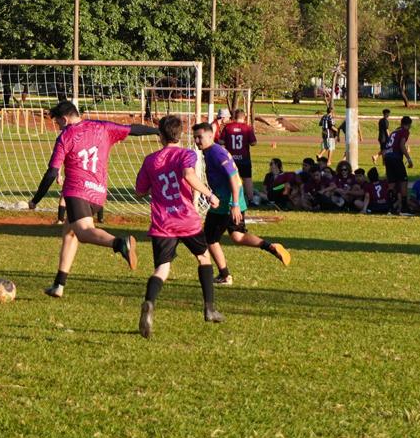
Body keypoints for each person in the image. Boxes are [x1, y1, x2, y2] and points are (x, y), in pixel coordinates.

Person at [28, 101, 159, 297]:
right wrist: (156, 131)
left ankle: (120, 243)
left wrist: (35, 200)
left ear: (64, 119)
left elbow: (51, 173)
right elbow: (133, 129)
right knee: (70, 233)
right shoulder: (103, 127)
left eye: (58, 123)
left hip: (76, 192)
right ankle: (59, 285)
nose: (59, 127)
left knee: (83, 232)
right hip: (98, 193)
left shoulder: (65, 136)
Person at [135, 115, 224, 338]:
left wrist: (155, 183)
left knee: (162, 269)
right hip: (186, 220)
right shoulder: (187, 154)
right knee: (203, 258)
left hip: (162, 222)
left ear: (161, 136)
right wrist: (209, 194)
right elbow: (188, 174)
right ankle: (209, 309)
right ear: (180, 134)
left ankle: (149, 303)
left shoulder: (150, 160)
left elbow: (139, 191)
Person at [192, 122, 290, 286]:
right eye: (195, 137)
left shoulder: (217, 153)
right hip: (232, 201)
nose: (196, 140)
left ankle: (225, 275)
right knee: (238, 236)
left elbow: (234, 178)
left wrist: (234, 204)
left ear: (210, 136)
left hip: (225, 203)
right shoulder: (211, 152)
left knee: (210, 239)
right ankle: (270, 247)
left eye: (199, 137)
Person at [220, 109, 258, 205]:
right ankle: (250, 199)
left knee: (230, 178)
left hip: (231, 159)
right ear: (244, 117)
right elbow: (254, 142)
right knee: (247, 179)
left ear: (234, 117)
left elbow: (221, 141)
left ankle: (228, 198)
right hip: (244, 158)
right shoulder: (247, 128)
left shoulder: (228, 127)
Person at [382, 116, 414, 215]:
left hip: (387, 156)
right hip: (395, 157)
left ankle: (390, 208)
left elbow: (386, 146)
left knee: (391, 183)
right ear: (409, 125)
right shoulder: (404, 131)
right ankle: (404, 209)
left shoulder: (394, 131)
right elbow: (401, 145)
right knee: (403, 181)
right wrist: (409, 159)